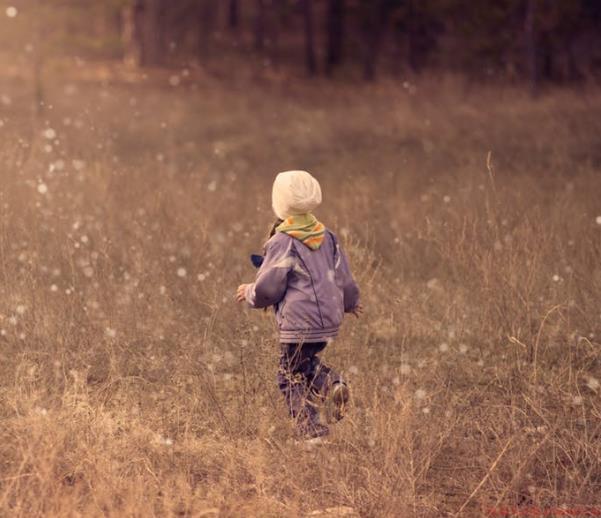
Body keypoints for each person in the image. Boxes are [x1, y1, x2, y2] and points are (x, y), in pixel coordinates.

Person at [236, 170, 362, 439]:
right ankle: (333, 383)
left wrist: (249, 292)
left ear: (278, 202)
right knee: (303, 365)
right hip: (328, 321)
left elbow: (269, 288)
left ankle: (312, 431)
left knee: (288, 376)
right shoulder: (328, 237)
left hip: (298, 322)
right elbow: (345, 278)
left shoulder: (283, 241)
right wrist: (350, 303)